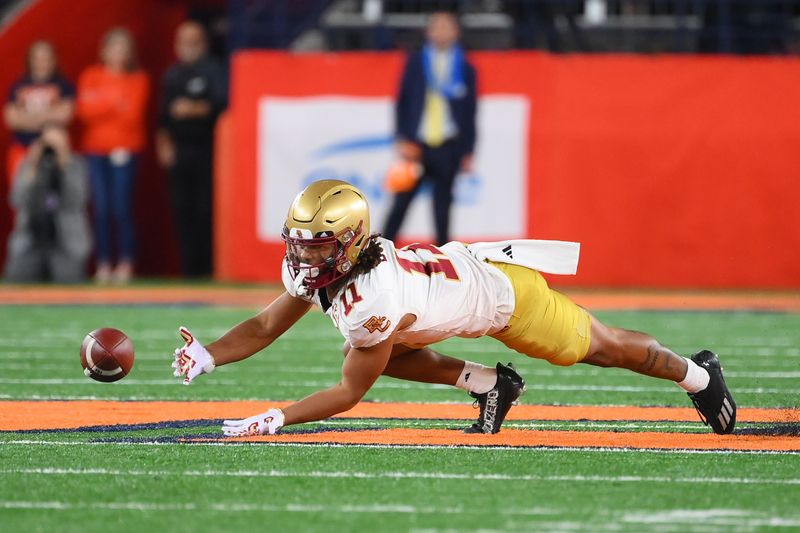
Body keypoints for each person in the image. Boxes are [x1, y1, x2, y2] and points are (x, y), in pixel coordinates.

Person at [172, 179, 737, 437]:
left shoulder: (374, 298)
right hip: (460, 280)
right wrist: (209, 356)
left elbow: (348, 394)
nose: (303, 255)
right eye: (299, 241)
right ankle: (490, 384)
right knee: (375, 351)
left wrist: (277, 418)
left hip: (506, 300)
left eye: (317, 245)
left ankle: (697, 374)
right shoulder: (335, 271)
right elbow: (267, 323)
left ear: (349, 241)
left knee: (603, 350)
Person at [383, 11, 477, 246]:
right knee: (401, 203)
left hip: (448, 145)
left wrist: (467, 150)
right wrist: (403, 138)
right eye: (437, 27)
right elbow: (402, 102)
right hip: (417, 144)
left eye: (447, 27)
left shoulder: (466, 68)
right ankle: (379, 257)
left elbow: (470, 113)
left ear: (456, 32)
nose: (442, 32)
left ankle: (444, 263)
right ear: (429, 31)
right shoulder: (416, 62)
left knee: (442, 209)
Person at [76, 28, 148, 284]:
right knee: (101, 208)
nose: (119, 53)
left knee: (121, 207)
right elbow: (84, 111)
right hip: (96, 150)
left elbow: (132, 115)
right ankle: (104, 263)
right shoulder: (91, 76)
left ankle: (126, 262)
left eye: (123, 48)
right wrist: (114, 102)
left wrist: (102, 102)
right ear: (104, 51)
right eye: (114, 47)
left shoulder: (138, 78)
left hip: (125, 150)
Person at [156, 21, 226, 278]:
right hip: (180, 149)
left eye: (192, 41)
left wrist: (192, 108)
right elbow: (162, 116)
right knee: (182, 209)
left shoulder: (212, 70)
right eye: (182, 41)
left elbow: (221, 105)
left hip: (206, 149)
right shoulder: (173, 74)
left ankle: (207, 267)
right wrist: (164, 144)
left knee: (205, 208)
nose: (186, 46)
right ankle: (188, 269)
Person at [4, 123, 91, 283]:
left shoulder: (76, 165)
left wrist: (64, 165)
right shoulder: (28, 165)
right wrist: (33, 169)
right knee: (16, 280)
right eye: (47, 144)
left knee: (68, 282)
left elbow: (77, 200)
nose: (51, 150)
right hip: (31, 240)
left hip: (65, 242)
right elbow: (17, 199)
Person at [3, 40, 75, 185]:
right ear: (30, 60)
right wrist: (48, 117)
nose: (42, 61)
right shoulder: (18, 86)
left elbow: (64, 115)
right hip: (22, 149)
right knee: (24, 198)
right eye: (38, 57)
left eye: (47, 57)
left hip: (54, 152)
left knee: (53, 199)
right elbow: (11, 120)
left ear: (54, 60)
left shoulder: (64, 85)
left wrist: (28, 117)